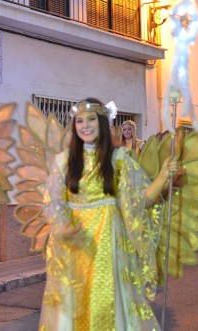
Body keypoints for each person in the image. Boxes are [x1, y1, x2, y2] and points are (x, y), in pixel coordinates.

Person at [39, 98, 177, 330]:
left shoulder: (118, 159)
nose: (85, 125)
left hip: (109, 245)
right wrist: (62, 227)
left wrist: (163, 176)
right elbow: (53, 202)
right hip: (76, 246)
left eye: (91, 119)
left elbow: (139, 201)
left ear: (103, 123)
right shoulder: (63, 161)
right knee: (73, 305)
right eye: (80, 120)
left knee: (107, 301)